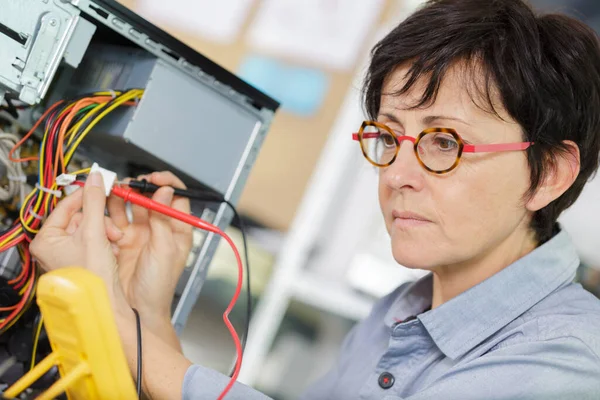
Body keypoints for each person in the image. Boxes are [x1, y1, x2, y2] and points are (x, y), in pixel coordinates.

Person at [29, 0, 600, 399]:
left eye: (443, 141)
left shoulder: (568, 362)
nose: (398, 173)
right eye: (387, 136)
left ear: (548, 173)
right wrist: (146, 312)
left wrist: (115, 324)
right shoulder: (401, 311)